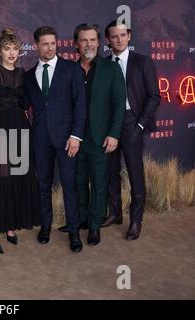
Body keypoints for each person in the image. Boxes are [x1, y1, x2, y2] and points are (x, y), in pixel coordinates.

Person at [24, 26, 86, 252]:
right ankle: (46, 227)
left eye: (53, 43)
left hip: (67, 139)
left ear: (57, 44)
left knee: (70, 186)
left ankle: (74, 232)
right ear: (36, 46)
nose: (49, 48)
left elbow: (80, 105)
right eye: (44, 44)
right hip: (40, 140)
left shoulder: (71, 69)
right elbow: (25, 105)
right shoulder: (29, 76)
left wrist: (76, 136)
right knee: (43, 185)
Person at [0, 29, 40, 254]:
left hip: (20, 126)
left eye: (15, 48)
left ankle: (10, 224)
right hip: (0, 126)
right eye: (7, 48)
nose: (12, 53)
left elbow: (26, 106)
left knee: (17, 176)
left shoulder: (23, 73)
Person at [103, 20, 160, 240]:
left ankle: (136, 221)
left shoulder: (142, 62)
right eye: (114, 36)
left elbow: (155, 96)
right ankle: (115, 213)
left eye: (122, 35)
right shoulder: (105, 64)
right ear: (108, 40)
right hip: (110, 125)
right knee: (111, 171)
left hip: (132, 123)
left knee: (136, 174)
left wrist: (140, 125)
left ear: (129, 36)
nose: (119, 39)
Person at [74, 23, 126, 246]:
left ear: (99, 41)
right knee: (78, 183)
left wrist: (114, 135)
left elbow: (118, 104)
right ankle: (83, 220)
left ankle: (95, 226)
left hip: (100, 139)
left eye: (93, 40)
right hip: (74, 139)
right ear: (76, 44)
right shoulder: (69, 69)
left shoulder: (110, 68)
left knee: (98, 184)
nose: (89, 44)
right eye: (84, 40)